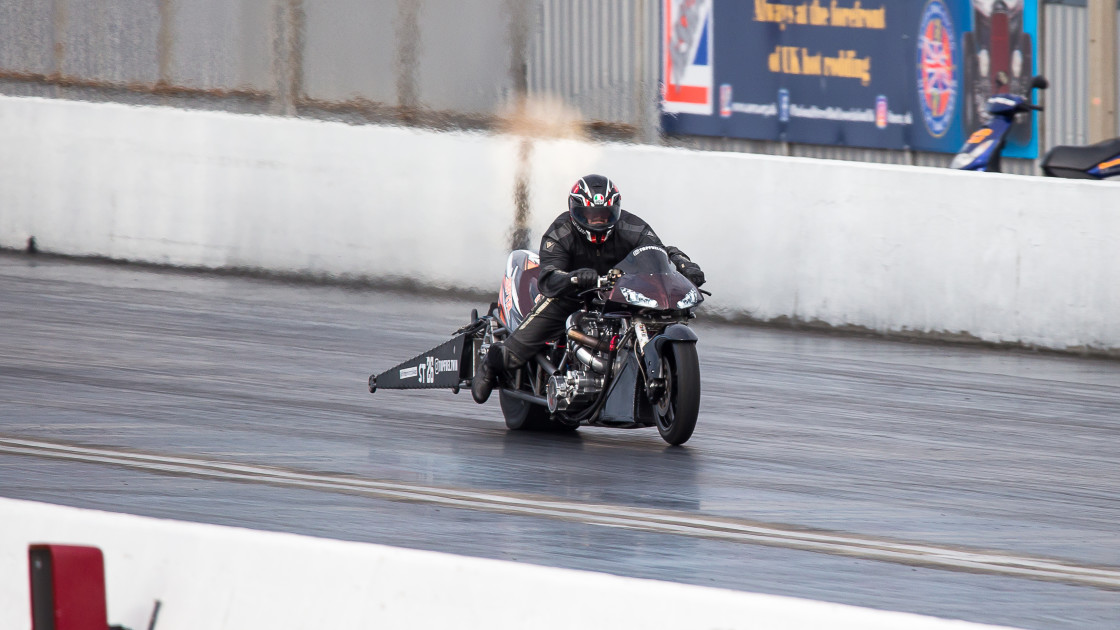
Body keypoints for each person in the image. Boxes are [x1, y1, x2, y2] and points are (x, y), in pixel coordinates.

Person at [472, 174, 706, 404]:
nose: (597, 221)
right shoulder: (560, 231)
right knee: (518, 349)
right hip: (570, 295)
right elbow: (549, 277)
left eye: (604, 215)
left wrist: (683, 264)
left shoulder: (632, 226)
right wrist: (573, 278)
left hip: (616, 294)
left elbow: (658, 251)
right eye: (590, 215)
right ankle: (494, 361)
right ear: (576, 211)